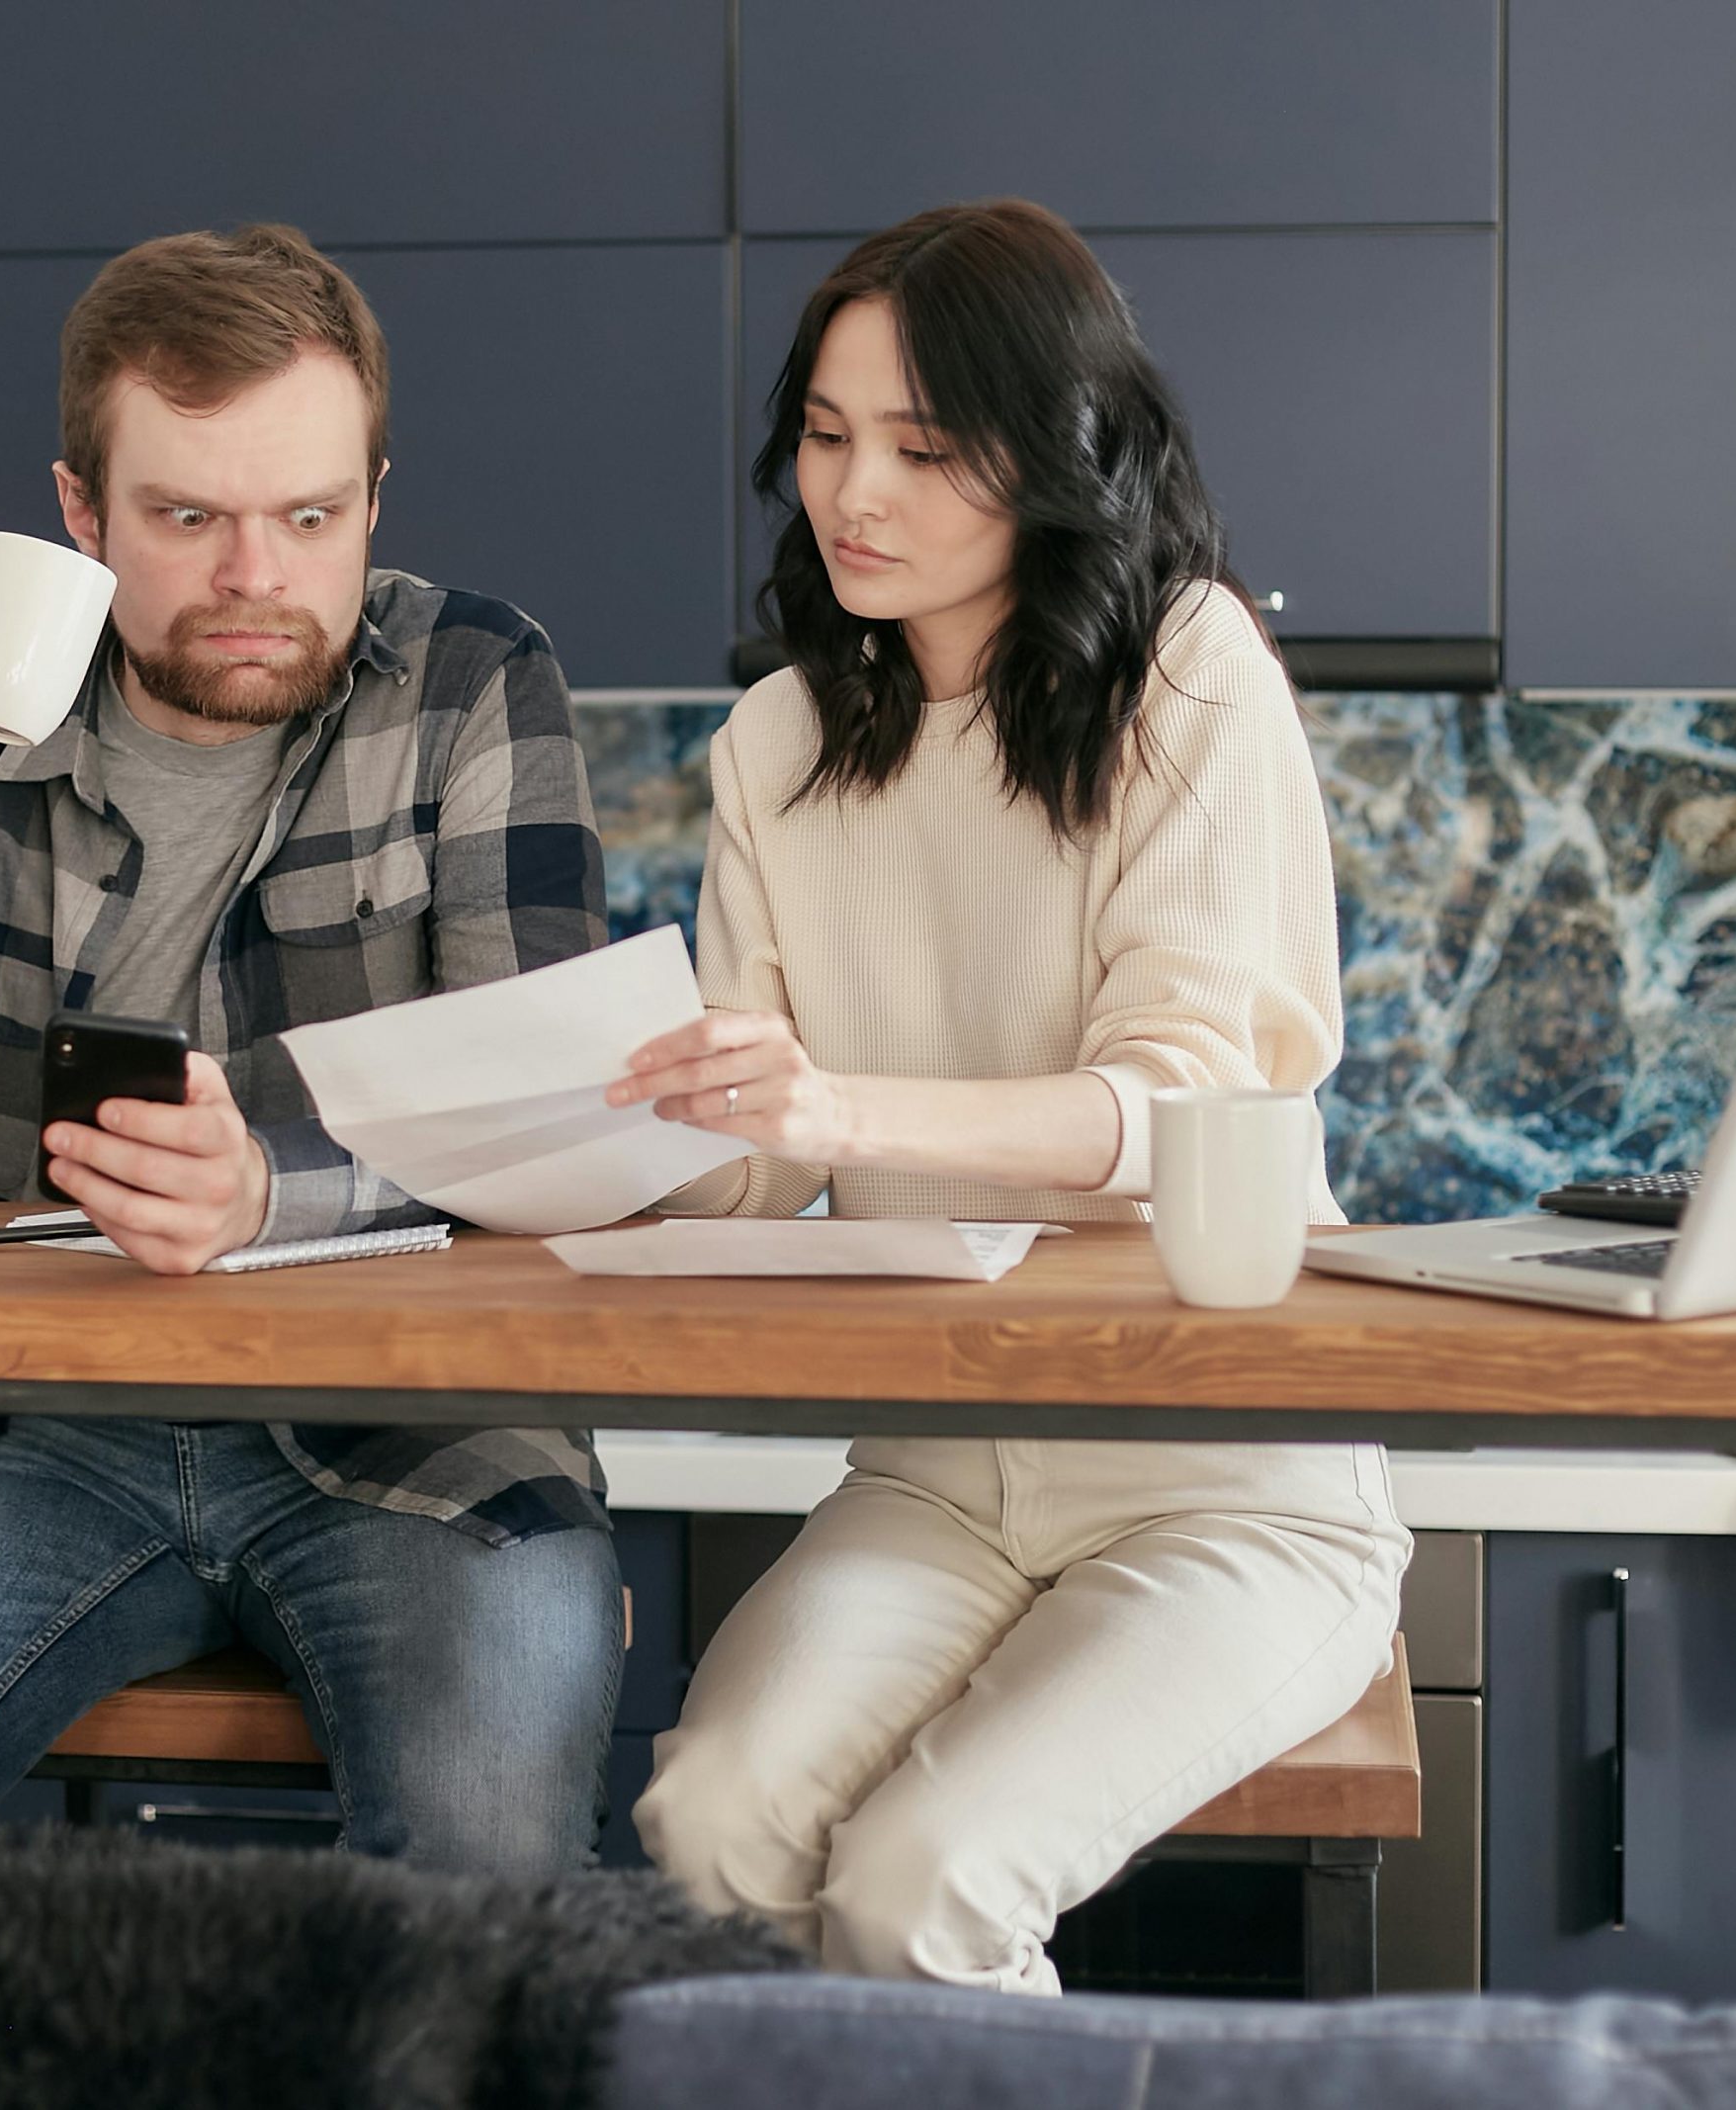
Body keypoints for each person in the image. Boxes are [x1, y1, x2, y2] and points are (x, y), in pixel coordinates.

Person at [0, 224, 622, 1869]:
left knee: (488, 1859)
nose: (257, 574)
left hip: (430, 1426)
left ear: (376, 498)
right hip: (47, 1421)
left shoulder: (476, 683)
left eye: (310, 516)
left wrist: (277, 1192)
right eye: (189, 517)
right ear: (81, 514)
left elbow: (549, 1124)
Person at [612, 200, 1410, 1990]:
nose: (853, 494)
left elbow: (1181, 1097)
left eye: (923, 446)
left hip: (1228, 1481)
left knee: (926, 1885)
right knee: (710, 1825)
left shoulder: (1190, 674)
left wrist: (835, 1116)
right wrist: (613, 1122)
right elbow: (742, 1178)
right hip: (939, 1463)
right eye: (825, 436)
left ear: (1058, 454)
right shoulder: (777, 743)